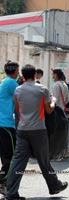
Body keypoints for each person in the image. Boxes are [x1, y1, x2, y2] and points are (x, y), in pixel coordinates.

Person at [5, 64, 68, 200]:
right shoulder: (42, 90)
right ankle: (54, 186)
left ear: (22, 75)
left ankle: (11, 193)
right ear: (35, 75)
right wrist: (54, 101)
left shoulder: (18, 90)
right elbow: (49, 110)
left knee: (18, 162)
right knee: (43, 160)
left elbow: (18, 110)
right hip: (38, 130)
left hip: (22, 129)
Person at [0, 62, 19, 194]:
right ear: (15, 71)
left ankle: (4, 183)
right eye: (18, 70)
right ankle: (2, 181)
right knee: (12, 155)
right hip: (6, 123)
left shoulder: (5, 82)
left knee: (5, 155)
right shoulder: (12, 83)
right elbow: (22, 97)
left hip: (3, 123)